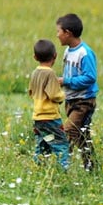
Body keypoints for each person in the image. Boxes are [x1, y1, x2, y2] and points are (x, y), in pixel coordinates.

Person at [56, 13, 98, 172]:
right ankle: (91, 168)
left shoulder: (85, 53)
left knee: (68, 131)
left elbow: (90, 78)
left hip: (84, 102)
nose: (57, 35)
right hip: (71, 100)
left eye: (59, 31)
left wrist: (66, 81)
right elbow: (70, 74)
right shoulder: (68, 51)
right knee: (82, 137)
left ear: (68, 33)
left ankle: (61, 167)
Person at [28, 39, 69, 170]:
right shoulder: (50, 73)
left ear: (35, 57)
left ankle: (38, 167)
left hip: (38, 117)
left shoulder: (35, 73)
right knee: (61, 144)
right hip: (50, 117)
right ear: (55, 55)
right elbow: (54, 95)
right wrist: (64, 95)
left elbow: (31, 91)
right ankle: (63, 170)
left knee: (42, 144)